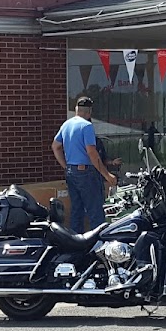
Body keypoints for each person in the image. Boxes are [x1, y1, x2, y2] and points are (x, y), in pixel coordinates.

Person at [52, 97, 117, 233]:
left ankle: (76, 243)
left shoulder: (66, 125)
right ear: (89, 112)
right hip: (86, 172)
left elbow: (55, 146)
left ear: (76, 110)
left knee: (77, 210)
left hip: (71, 172)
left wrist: (66, 166)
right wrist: (107, 174)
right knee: (95, 212)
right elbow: (92, 152)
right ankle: (98, 246)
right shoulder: (86, 126)